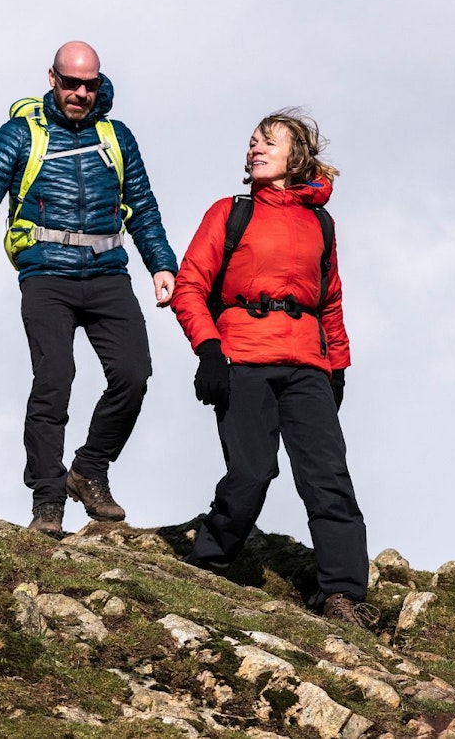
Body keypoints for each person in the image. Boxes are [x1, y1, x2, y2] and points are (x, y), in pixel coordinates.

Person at [0, 41, 178, 537]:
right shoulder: (18, 136)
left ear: (99, 83)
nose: (79, 93)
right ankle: (48, 500)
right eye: (71, 82)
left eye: (89, 84)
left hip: (108, 272)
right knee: (55, 382)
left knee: (134, 374)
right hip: (45, 275)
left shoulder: (117, 137)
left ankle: (90, 469)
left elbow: (142, 206)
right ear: (51, 77)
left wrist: (161, 264)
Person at [169, 108, 373, 626]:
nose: (255, 149)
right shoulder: (229, 212)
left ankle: (344, 596)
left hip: (308, 364)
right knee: (251, 473)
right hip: (243, 359)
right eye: (253, 142)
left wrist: (338, 369)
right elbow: (190, 285)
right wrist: (209, 349)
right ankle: (205, 565)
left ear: (296, 157)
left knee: (329, 479)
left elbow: (331, 303)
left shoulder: (320, 223)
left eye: (269, 142)